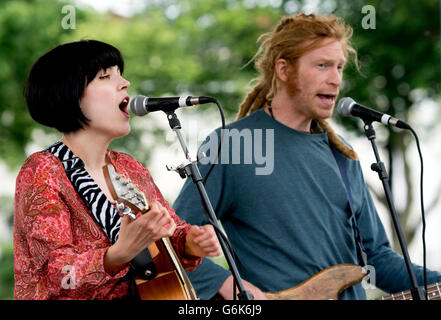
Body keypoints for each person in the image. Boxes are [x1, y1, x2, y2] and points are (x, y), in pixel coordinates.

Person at [172, 12, 441, 300]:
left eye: (339, 67)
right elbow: (171, 244)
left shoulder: (343, 154)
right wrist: (232, 287)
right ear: (284, 70)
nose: (336, 79)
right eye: (323, 66)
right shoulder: (234, 144)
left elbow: (378, 259)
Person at [13, 40, 221, 300]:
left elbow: (170, 232)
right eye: (105, 76)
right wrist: (119, 253)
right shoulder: (43, 170)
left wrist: (191, 242)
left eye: (120, 74)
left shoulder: (128, 167)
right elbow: (55, 275)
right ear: (69, 94)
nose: (125, 83)